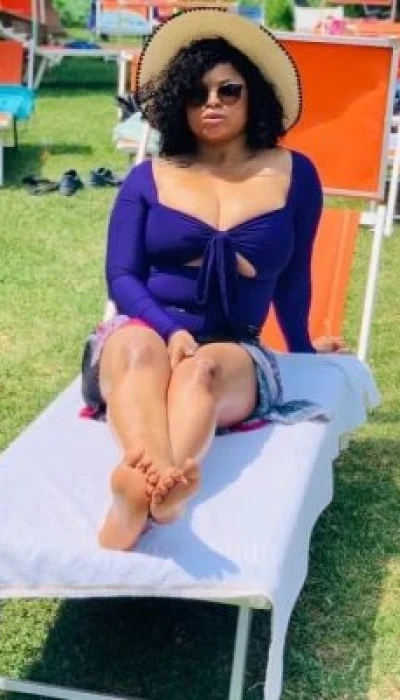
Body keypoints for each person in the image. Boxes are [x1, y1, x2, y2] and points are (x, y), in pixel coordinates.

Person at [81, 9, 345, 551]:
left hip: (232, 341)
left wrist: (302, 351)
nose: (212, 103)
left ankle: (140, 494)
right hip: (146, 325)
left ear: (254, 96)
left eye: (228, 89)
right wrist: (168, 329)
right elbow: (121, 276)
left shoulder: (294, 174)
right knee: (137, 352)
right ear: (178, 103)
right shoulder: (148, 178)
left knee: (201, 372)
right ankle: (160, 487)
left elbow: (294, 278)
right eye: (196, 93)